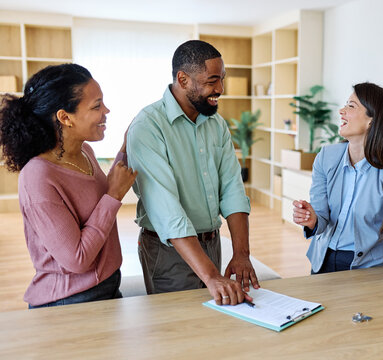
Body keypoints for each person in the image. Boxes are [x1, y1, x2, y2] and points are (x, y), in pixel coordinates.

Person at [127, 40, 259, 306]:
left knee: (213, 327)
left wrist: (241, 253)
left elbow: (232, 188)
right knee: (177, 333)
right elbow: (167, 212)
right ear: (183, 79)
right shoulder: (147, 126)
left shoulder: (217, 124)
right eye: (212, 81)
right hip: (168, 251)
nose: (220, 89)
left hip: (212, 243)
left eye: (222, 79)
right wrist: (211, 275)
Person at [0, 64, 137, 308]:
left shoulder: (85, 151)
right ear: (65, 117)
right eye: (97, 106)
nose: (106, 110)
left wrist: (127, 147)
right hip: (69, 301)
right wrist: (115, 194)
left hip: (106, 286)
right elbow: (77, 259)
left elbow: (97, 200)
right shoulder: (38, 176)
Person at [292, 82, 383, 302]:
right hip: (322, 260)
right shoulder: (326, 157)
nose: (341, 111)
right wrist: (312, 220)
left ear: (372, 120)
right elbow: (322, 218)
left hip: (368, 269)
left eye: (351, 106)